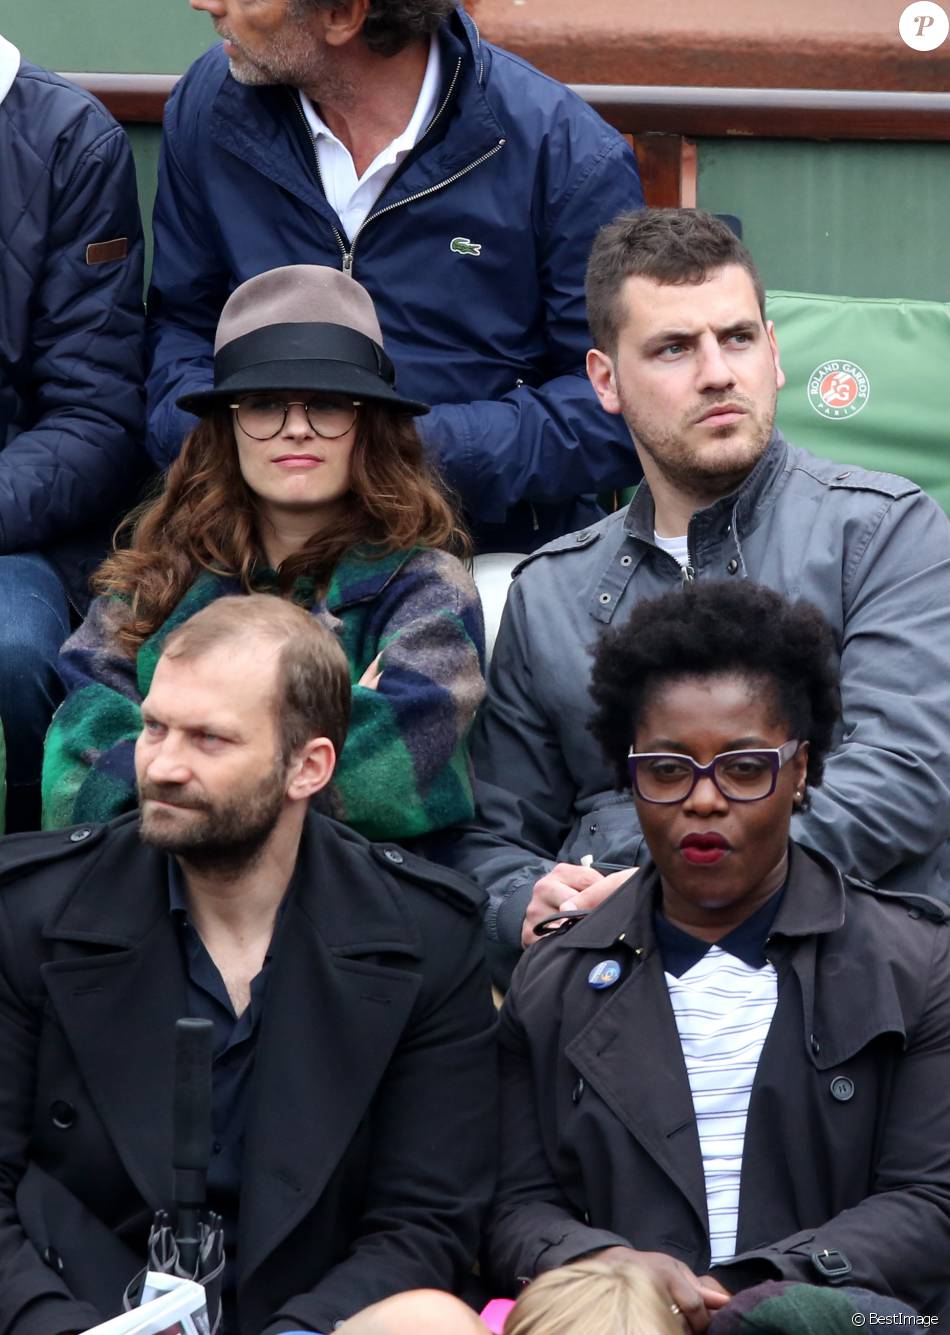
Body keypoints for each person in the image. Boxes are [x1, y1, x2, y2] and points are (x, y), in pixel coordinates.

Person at [443, 207, 950, 981]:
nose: (717, 372)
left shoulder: (881, 531)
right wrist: (529, 901)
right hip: (619, 994)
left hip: (848, 981)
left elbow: (904, 776)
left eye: (738, 338)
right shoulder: (550, 592)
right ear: (605, 381)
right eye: (675, 348)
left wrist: (663, 890)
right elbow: (491, 838)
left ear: (775, 354)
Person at [0, 595, 497, 1334]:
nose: (162, 765)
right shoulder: (31, 912)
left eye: (209, 739)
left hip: (307, 1319)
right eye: (155, 727)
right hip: (76, 1310)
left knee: (431, 1322)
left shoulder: (426, 936)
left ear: (308, 765)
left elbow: (425, 1221)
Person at [485, 579, 950, 1328]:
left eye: (743, 767)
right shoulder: (555, 976)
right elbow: (513, 1203)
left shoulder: (916, 965)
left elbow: (931, 1202)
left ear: (799, 772)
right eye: (668, 769)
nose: (704, 799)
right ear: (628, 777)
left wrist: (750, 1288)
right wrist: (610, 1265)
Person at [145, 0, 645, 553]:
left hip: (474, 546)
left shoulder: (566, 154)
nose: (207, 4)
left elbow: (618, 400)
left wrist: (396, 449)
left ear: (343, 15)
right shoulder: (210, 103)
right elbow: (182, 326)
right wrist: (221, 442)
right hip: (244, 540)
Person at [42, 263, 484, 840]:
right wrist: (331, 726)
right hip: (154, 902)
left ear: (369, 427)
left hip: (351, 906)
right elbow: (74, 783)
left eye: (327, 405)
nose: (295, 428)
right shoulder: (150, 583)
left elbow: (394, 780)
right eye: (264, 404)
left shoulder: (426, 588)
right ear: (226, 427)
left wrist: (174, 777)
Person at [0, 33, 145, 831]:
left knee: (16, 657)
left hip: (13, 528)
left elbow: (95, 418)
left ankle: (27, 889)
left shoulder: (66, 140)